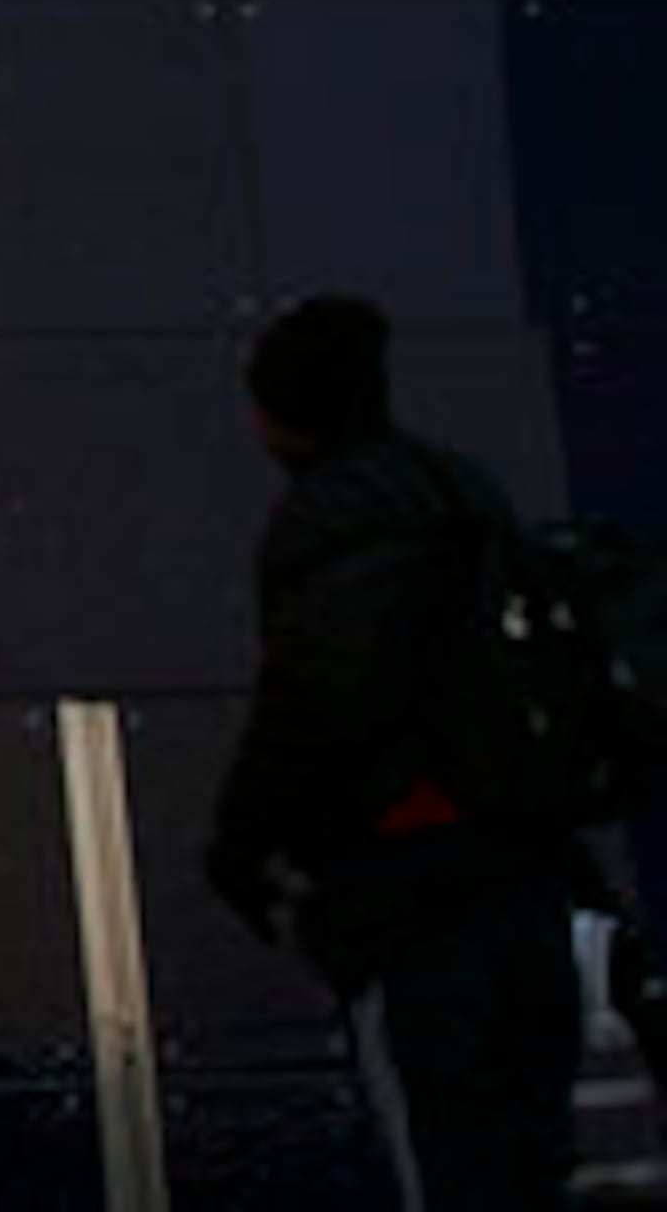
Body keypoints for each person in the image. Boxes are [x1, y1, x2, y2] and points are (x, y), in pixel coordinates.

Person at [204, 294, 583, 1209]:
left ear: (283, 417)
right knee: (528, 1160)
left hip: (417, 896)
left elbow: (313, 699)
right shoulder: (466, 492)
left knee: (448, 1161)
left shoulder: (330, 518)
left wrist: (241, 845)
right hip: (529, 883)